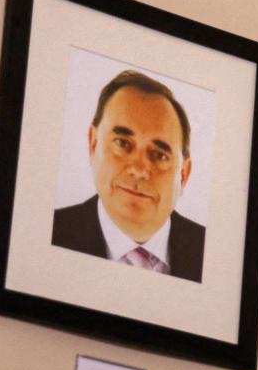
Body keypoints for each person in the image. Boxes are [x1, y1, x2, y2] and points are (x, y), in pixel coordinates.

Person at [51, 70, 205, 281]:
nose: (139, 169)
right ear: (93, 144)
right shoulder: (48, 233)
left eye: (160, 155)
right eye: (123, 143)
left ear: (184, 174)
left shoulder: (212, 258)